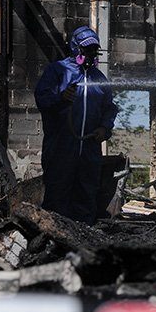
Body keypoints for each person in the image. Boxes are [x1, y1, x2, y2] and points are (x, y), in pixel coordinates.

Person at [34, 26, 118, 225]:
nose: (90, 54)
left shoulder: (99, 79)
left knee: (86, 194)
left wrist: (104, 128)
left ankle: (82, 239)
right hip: (61, 146)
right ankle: (52, 237)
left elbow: (109, 108)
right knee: (58, 192)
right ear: (75, 48)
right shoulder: (58, 71)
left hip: (89, 149)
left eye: (93, 50)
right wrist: (61, 98)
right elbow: (42, 98)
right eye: (86, 49)